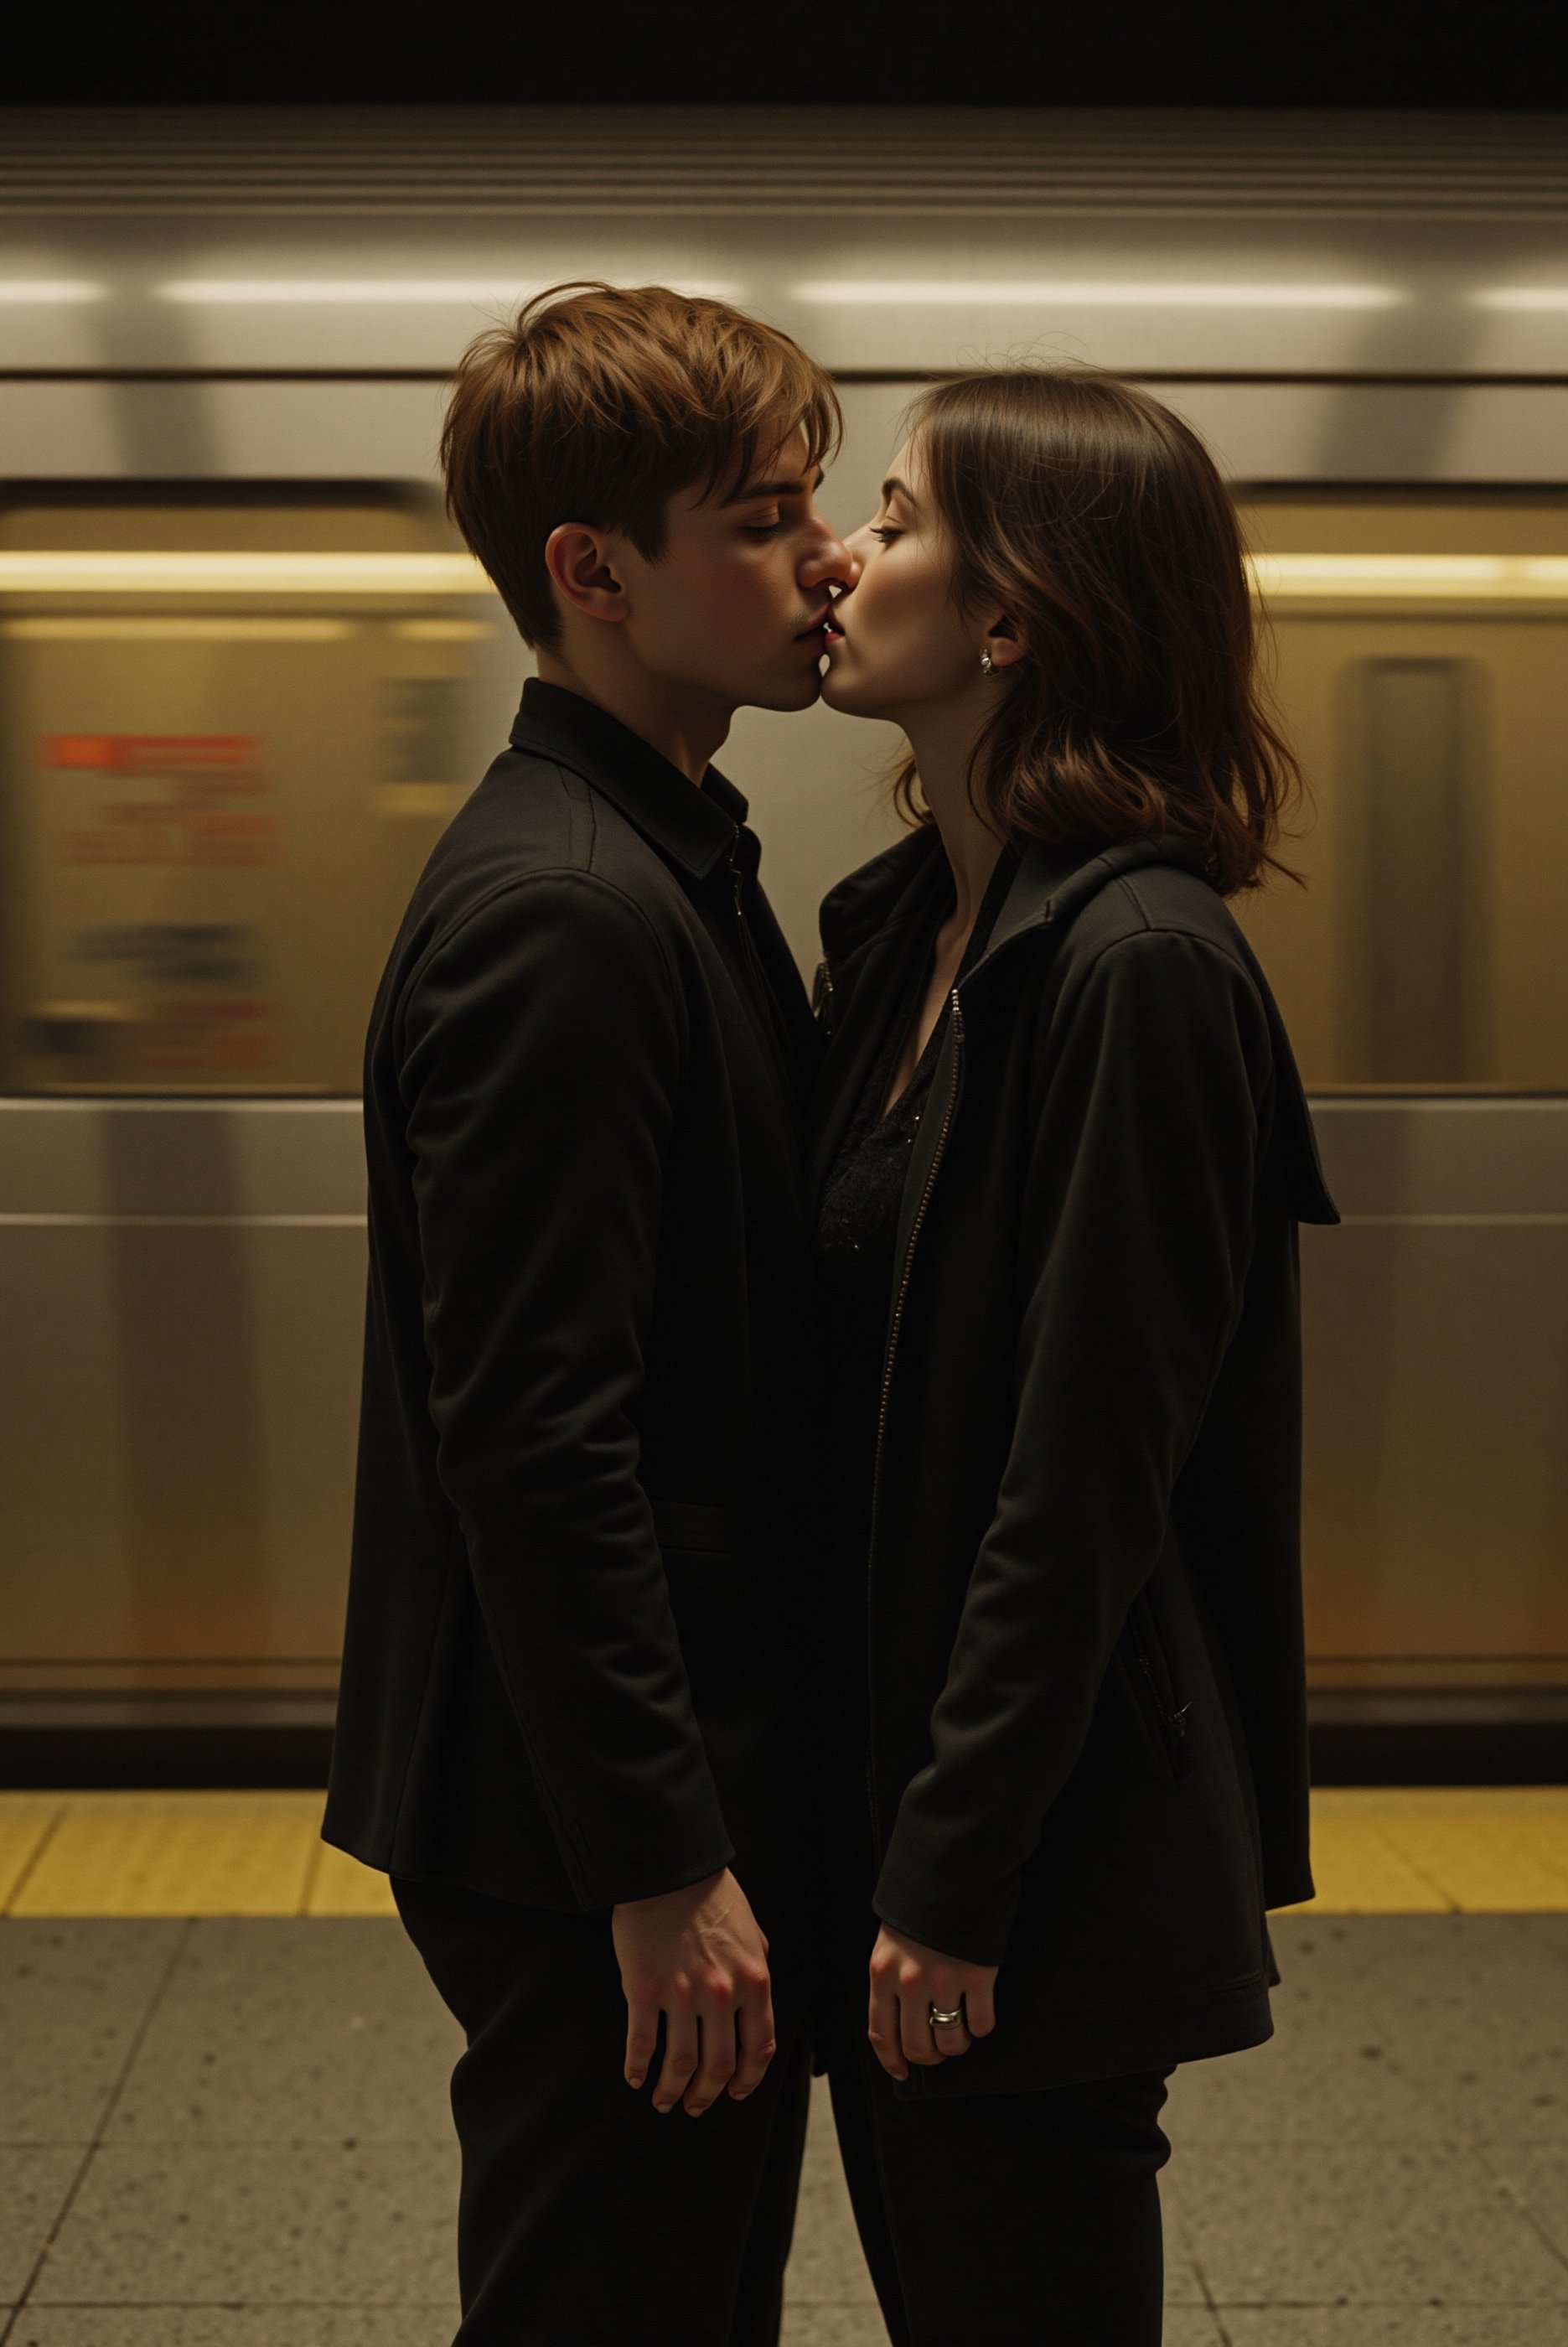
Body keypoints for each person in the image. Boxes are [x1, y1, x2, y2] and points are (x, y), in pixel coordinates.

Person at [322, 282, 857, 2347]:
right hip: (586, 1827)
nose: (823, 560)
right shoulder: (567, 912)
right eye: (760, 516)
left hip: (625, 1795)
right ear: (593, 572)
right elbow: (539, 1431)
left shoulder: (657, 856)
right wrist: (662, 1859)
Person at [810, 370, 1340, 2347]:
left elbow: (1081, 1481)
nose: (843, 557)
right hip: (917, 1822)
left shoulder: (1138, 972)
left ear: (1012, 616)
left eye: (897, 515)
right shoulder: (906, 943)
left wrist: (949, 1874)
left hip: (1030, 1861)